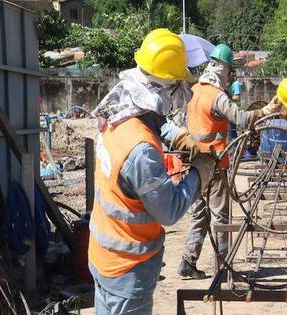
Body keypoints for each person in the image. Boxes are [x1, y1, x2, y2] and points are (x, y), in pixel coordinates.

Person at [88, 29, 216, 315]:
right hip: (128, 267)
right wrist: (199, 173)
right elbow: (169, 210)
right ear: (165, 86)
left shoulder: (116, 110)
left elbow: (152, 120)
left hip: (104, 255)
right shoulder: (141, 151)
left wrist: (180, 137)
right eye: (178, 84)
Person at [178, 44, 282, 279]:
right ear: (223, 69)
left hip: (193, 163)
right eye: (230, 71)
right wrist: (266, 110)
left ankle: (187, 260)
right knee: (220, 217)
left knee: (199, 214)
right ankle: (222, 266)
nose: (230, 76)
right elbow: (242, 119)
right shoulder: (217, 97)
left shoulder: (194, 90)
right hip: (214, 164)